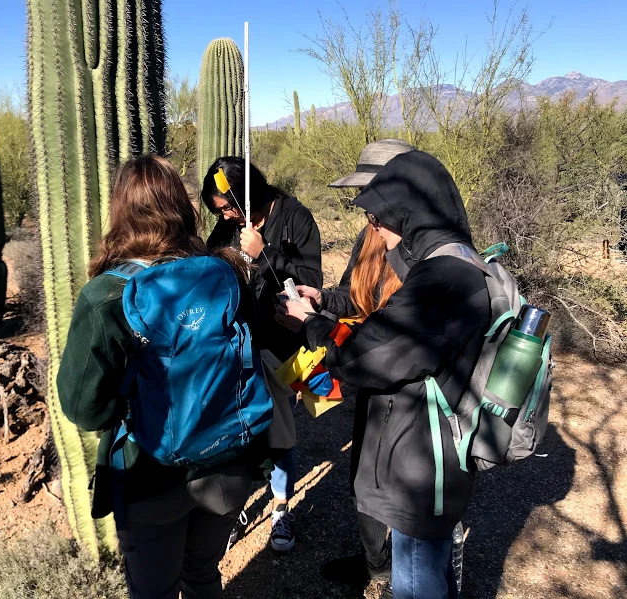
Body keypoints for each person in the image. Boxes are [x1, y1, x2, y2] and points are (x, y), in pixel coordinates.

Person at [57, 155, 277, 599]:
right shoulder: (224, 272)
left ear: (121, 211)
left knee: (153, 590)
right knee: (202, 575)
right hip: (226, 462)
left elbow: (83, 408)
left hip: (149, 475)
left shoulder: (104, 296)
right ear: (182, 207)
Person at [276, 150, 488, 599]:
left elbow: (369, 356)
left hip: (420, 460)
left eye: (377, 213)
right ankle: (377, 563)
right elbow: (369, 310)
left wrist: (310, 324)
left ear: (404, 206)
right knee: (430, 567)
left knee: (416, 579)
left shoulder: (440, 277)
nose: (372, 225)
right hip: (427, 444)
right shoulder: (455, 258)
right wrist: (327, 306)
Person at [302, 139, 415, 596]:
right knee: (364, 477)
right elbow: (355, 296)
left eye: (373, 196)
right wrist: (320, 299)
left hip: (405, 383)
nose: (367, 210)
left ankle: (405, 576)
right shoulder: (370, 235)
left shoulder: (423, 251)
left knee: (403, 483)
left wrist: (318, 328)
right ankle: (377, 564)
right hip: (369, 368)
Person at [202, 156, 322, 552]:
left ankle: (281, 507)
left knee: (280, 432)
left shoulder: (295, 217)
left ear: (246, 191)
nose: (227, 216)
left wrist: (266, 253)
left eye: (229, 206)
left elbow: (311, 286)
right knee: (239, 433)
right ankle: (237, 503)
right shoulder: (227, 229)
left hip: (281, 348)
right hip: (237, 350)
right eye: (220, 211)